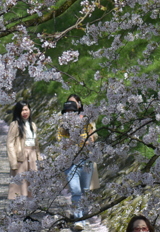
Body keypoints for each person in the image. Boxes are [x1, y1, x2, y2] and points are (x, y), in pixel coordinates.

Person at [58, 94, 99, 227]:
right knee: (75, 190)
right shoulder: (63, 127)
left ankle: (84, 216)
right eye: (67, 112)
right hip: (70, 162)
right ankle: (79, 220)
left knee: (85, 190)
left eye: (72, 112)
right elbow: (61, 142)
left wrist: (87, 141)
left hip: (86, 160)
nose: (70, 114)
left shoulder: (86, 122)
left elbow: (92, 137)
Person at [7, 101, 40, 199]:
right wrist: (13, 162)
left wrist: (39, 158)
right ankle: (17, 211)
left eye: (26, 109)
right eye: (22, 110)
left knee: (32, 184)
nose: (24, 112)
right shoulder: (15, 125)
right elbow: (10, 143)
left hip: (32, 156)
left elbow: (36, 144)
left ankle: (28, 210)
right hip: (21, 157)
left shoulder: (32, 125)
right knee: (19, 185)